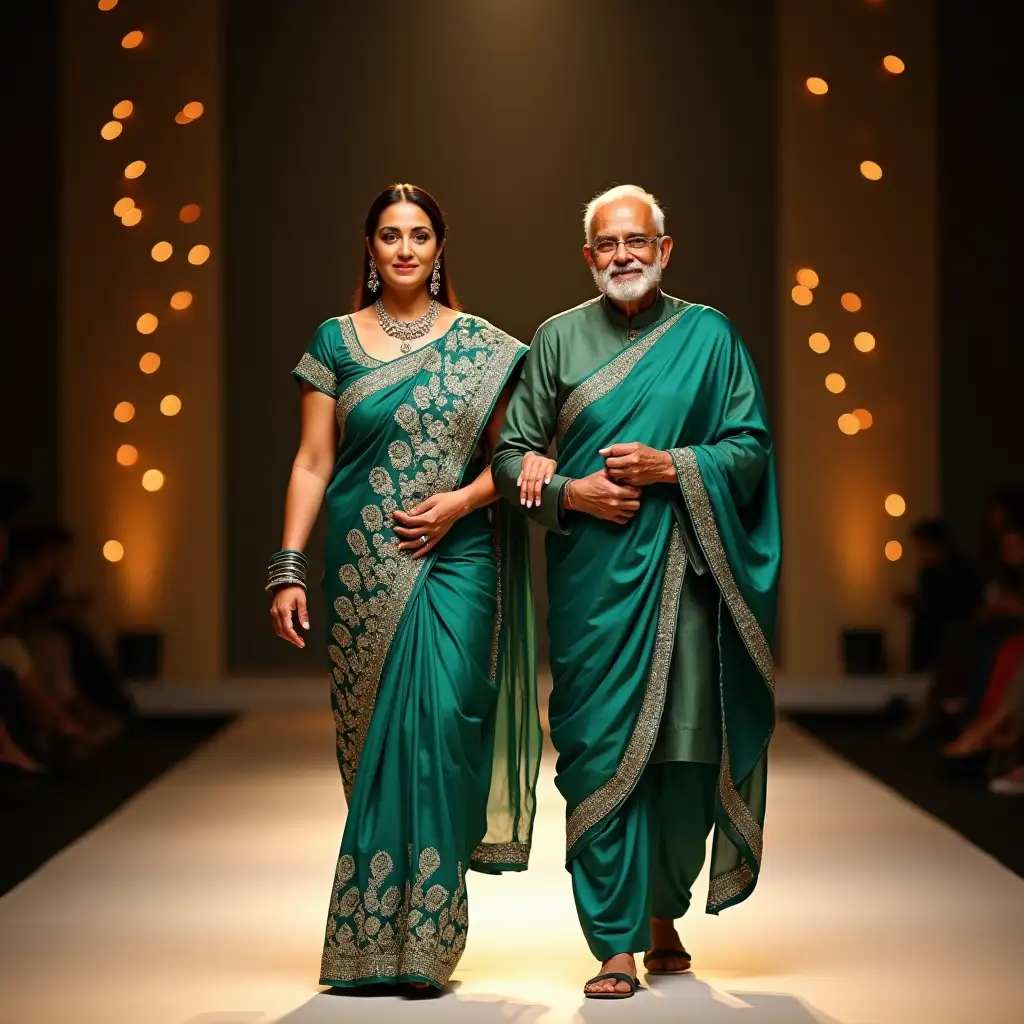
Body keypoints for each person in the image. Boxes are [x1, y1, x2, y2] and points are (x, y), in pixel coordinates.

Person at [492, 184, 780, 998]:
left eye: (636, 242)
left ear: (664, 248)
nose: (622, 256)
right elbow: (513, 456)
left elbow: (750, 446)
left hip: (686, 583)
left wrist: (673, 467)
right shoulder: (555, 340)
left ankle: (662, 915)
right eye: (606, 245)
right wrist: (571, 494)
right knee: (600, 754)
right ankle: (613, 943)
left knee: (684, 756)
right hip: (594, 587)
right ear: (590, 258)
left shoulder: (709, 336)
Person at [269, 184, 541, 993]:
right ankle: (366, 943)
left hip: (457, 563)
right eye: (389, 235)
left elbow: (514, 459)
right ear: (369, 248)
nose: (405, 249)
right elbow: (314, 461)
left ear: (440, 248)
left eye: (420, 235)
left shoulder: (484, 347)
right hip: (362, 566)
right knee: (375, 745)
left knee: (442, 733)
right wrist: (287, 564)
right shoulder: (334, 343)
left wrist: (457, 504)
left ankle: (425, 939)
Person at [895, 518, 980, 673]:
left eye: (921, 548)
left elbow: (951, 607)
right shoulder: (927, 572)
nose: (919, 554)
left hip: (953, 635)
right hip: (933, 637)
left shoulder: (960, 569)